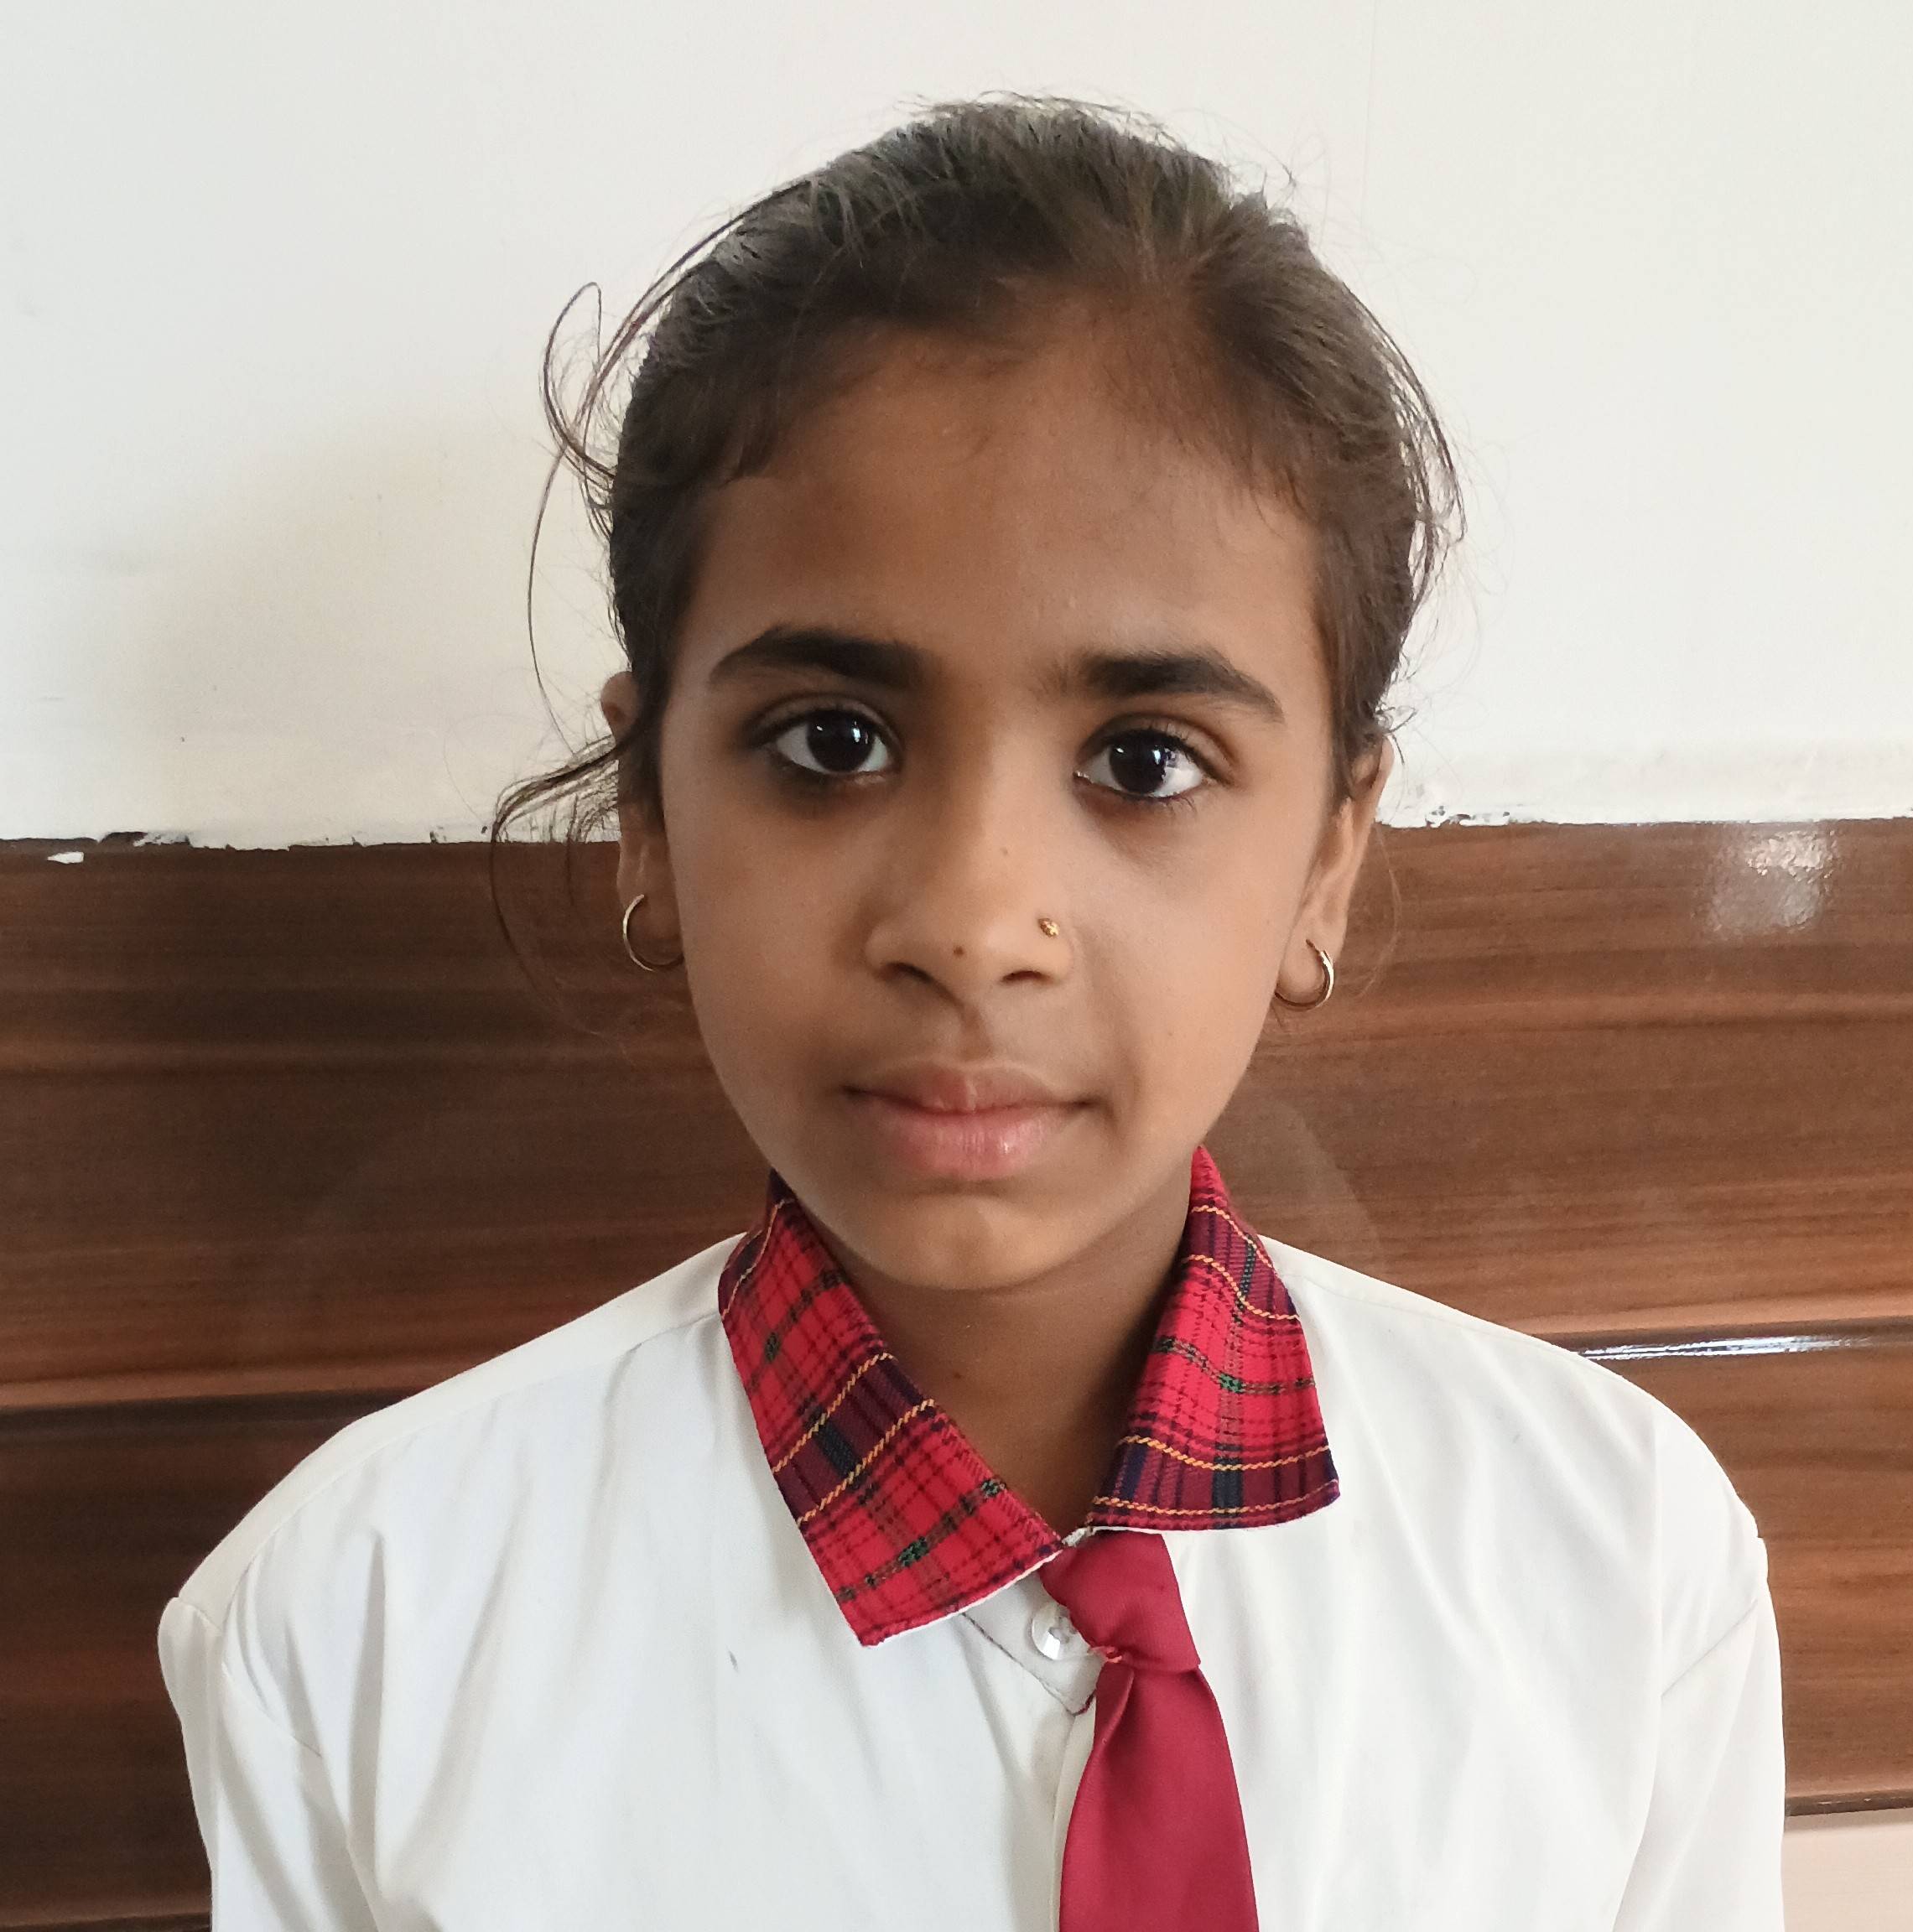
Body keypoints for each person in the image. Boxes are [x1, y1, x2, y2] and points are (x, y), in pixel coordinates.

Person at [158, 95, 1785, 1929]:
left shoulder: (1622, 1566)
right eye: (830, 742)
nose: (973, 925)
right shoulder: (356, 1630)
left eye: (1146, 761)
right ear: (650, 816)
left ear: (1329, 855)